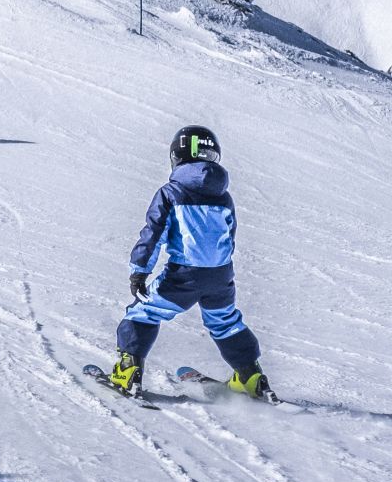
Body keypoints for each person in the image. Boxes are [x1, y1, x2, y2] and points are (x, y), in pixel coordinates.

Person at [107, 125, 275, 400]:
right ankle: (250, 376)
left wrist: (139, 272)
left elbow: (154, 234)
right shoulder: (224, 196)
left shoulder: (171, 193)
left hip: (184, 275)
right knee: (225, 323)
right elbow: (228, 238)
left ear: (177, 156)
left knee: (142, 314)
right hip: (220, 277)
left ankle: (128, 372)